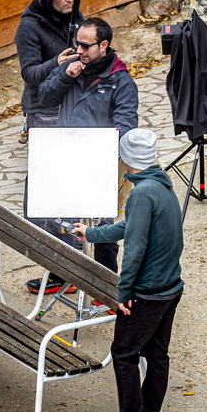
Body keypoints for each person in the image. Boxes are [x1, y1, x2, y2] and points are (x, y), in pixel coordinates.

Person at [71, 129, 183, 412]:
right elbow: (130, 226)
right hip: (171, 286)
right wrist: (91, 234)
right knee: (157, 354)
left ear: (126, 160)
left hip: (148, 292)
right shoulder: (160, 184)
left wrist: (123, 294)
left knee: (123, 353)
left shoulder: (141, 194)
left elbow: (133, 250)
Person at [35, 16, 139, 280]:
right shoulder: (71, 65)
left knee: (103, 226)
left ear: (103, 45)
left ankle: (105, 283)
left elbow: (126, 127)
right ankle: (63, 276)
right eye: (77, 43)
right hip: (64, 158)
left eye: (85, 46)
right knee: (59, 219)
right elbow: (43, 97)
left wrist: (96, 149)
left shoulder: (122, 82)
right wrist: (65, 78)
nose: (78, 50)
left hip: (99, 165)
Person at [16, 0, 78, 138]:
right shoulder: (29, 27)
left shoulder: (74, 15)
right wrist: (56, 64)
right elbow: (29, 74)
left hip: (74, 97)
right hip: (43, 104)